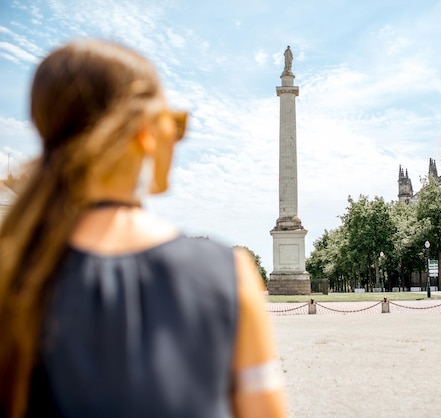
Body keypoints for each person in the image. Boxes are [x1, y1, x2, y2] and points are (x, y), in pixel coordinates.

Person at [0, 39, 286, 418]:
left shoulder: (14, 274)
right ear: (144, 132)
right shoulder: (225, 276)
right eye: (176, 123)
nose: (179, 138)